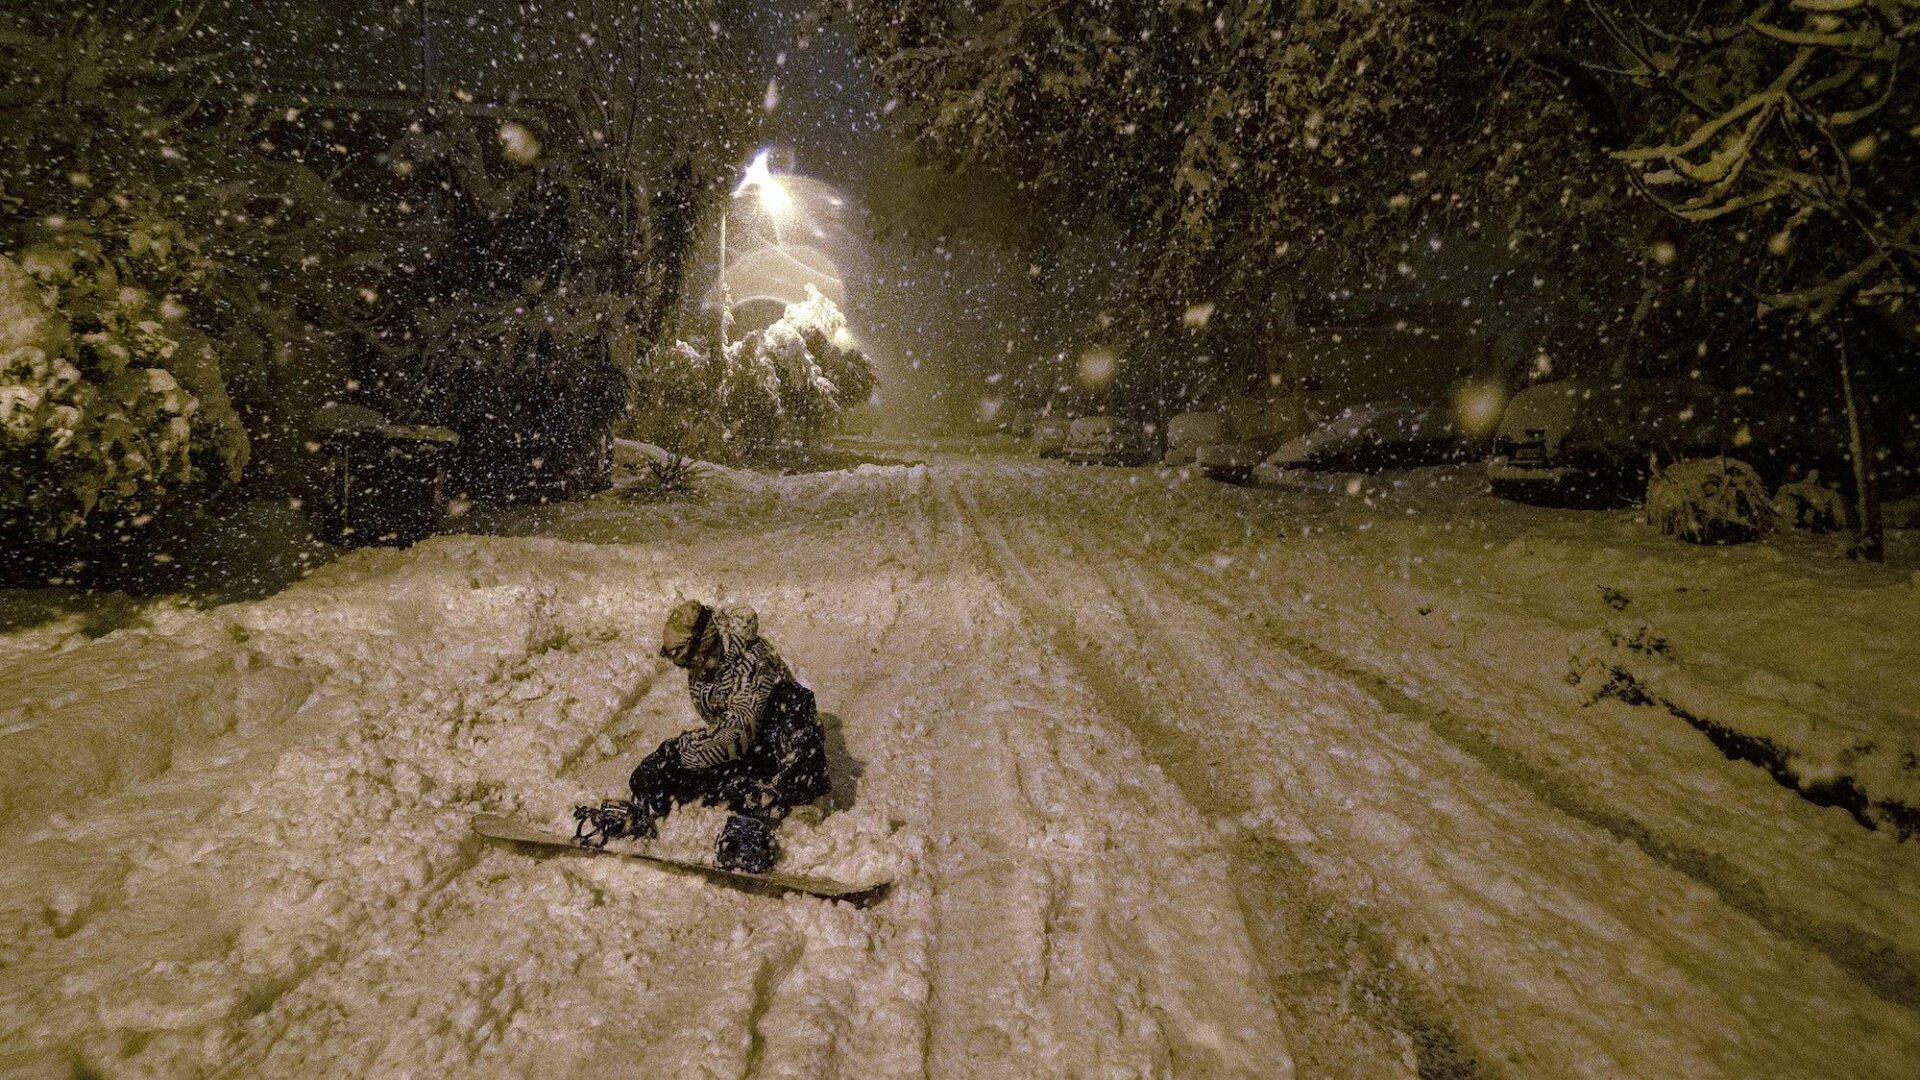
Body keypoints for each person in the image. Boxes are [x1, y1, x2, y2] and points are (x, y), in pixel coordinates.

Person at [573, 600, 830, 873]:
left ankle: (787, 810)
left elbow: (737, 734)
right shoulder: (703, 666)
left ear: (700, 642)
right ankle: (643, 818)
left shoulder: (753, 662)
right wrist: (663, 768)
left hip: (780, 755)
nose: (679, 665)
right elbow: (721, 731)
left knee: (793, 704)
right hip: (749, 753)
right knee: (652, 777)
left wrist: (680, 752)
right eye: (672, 656)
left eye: (680, 655)